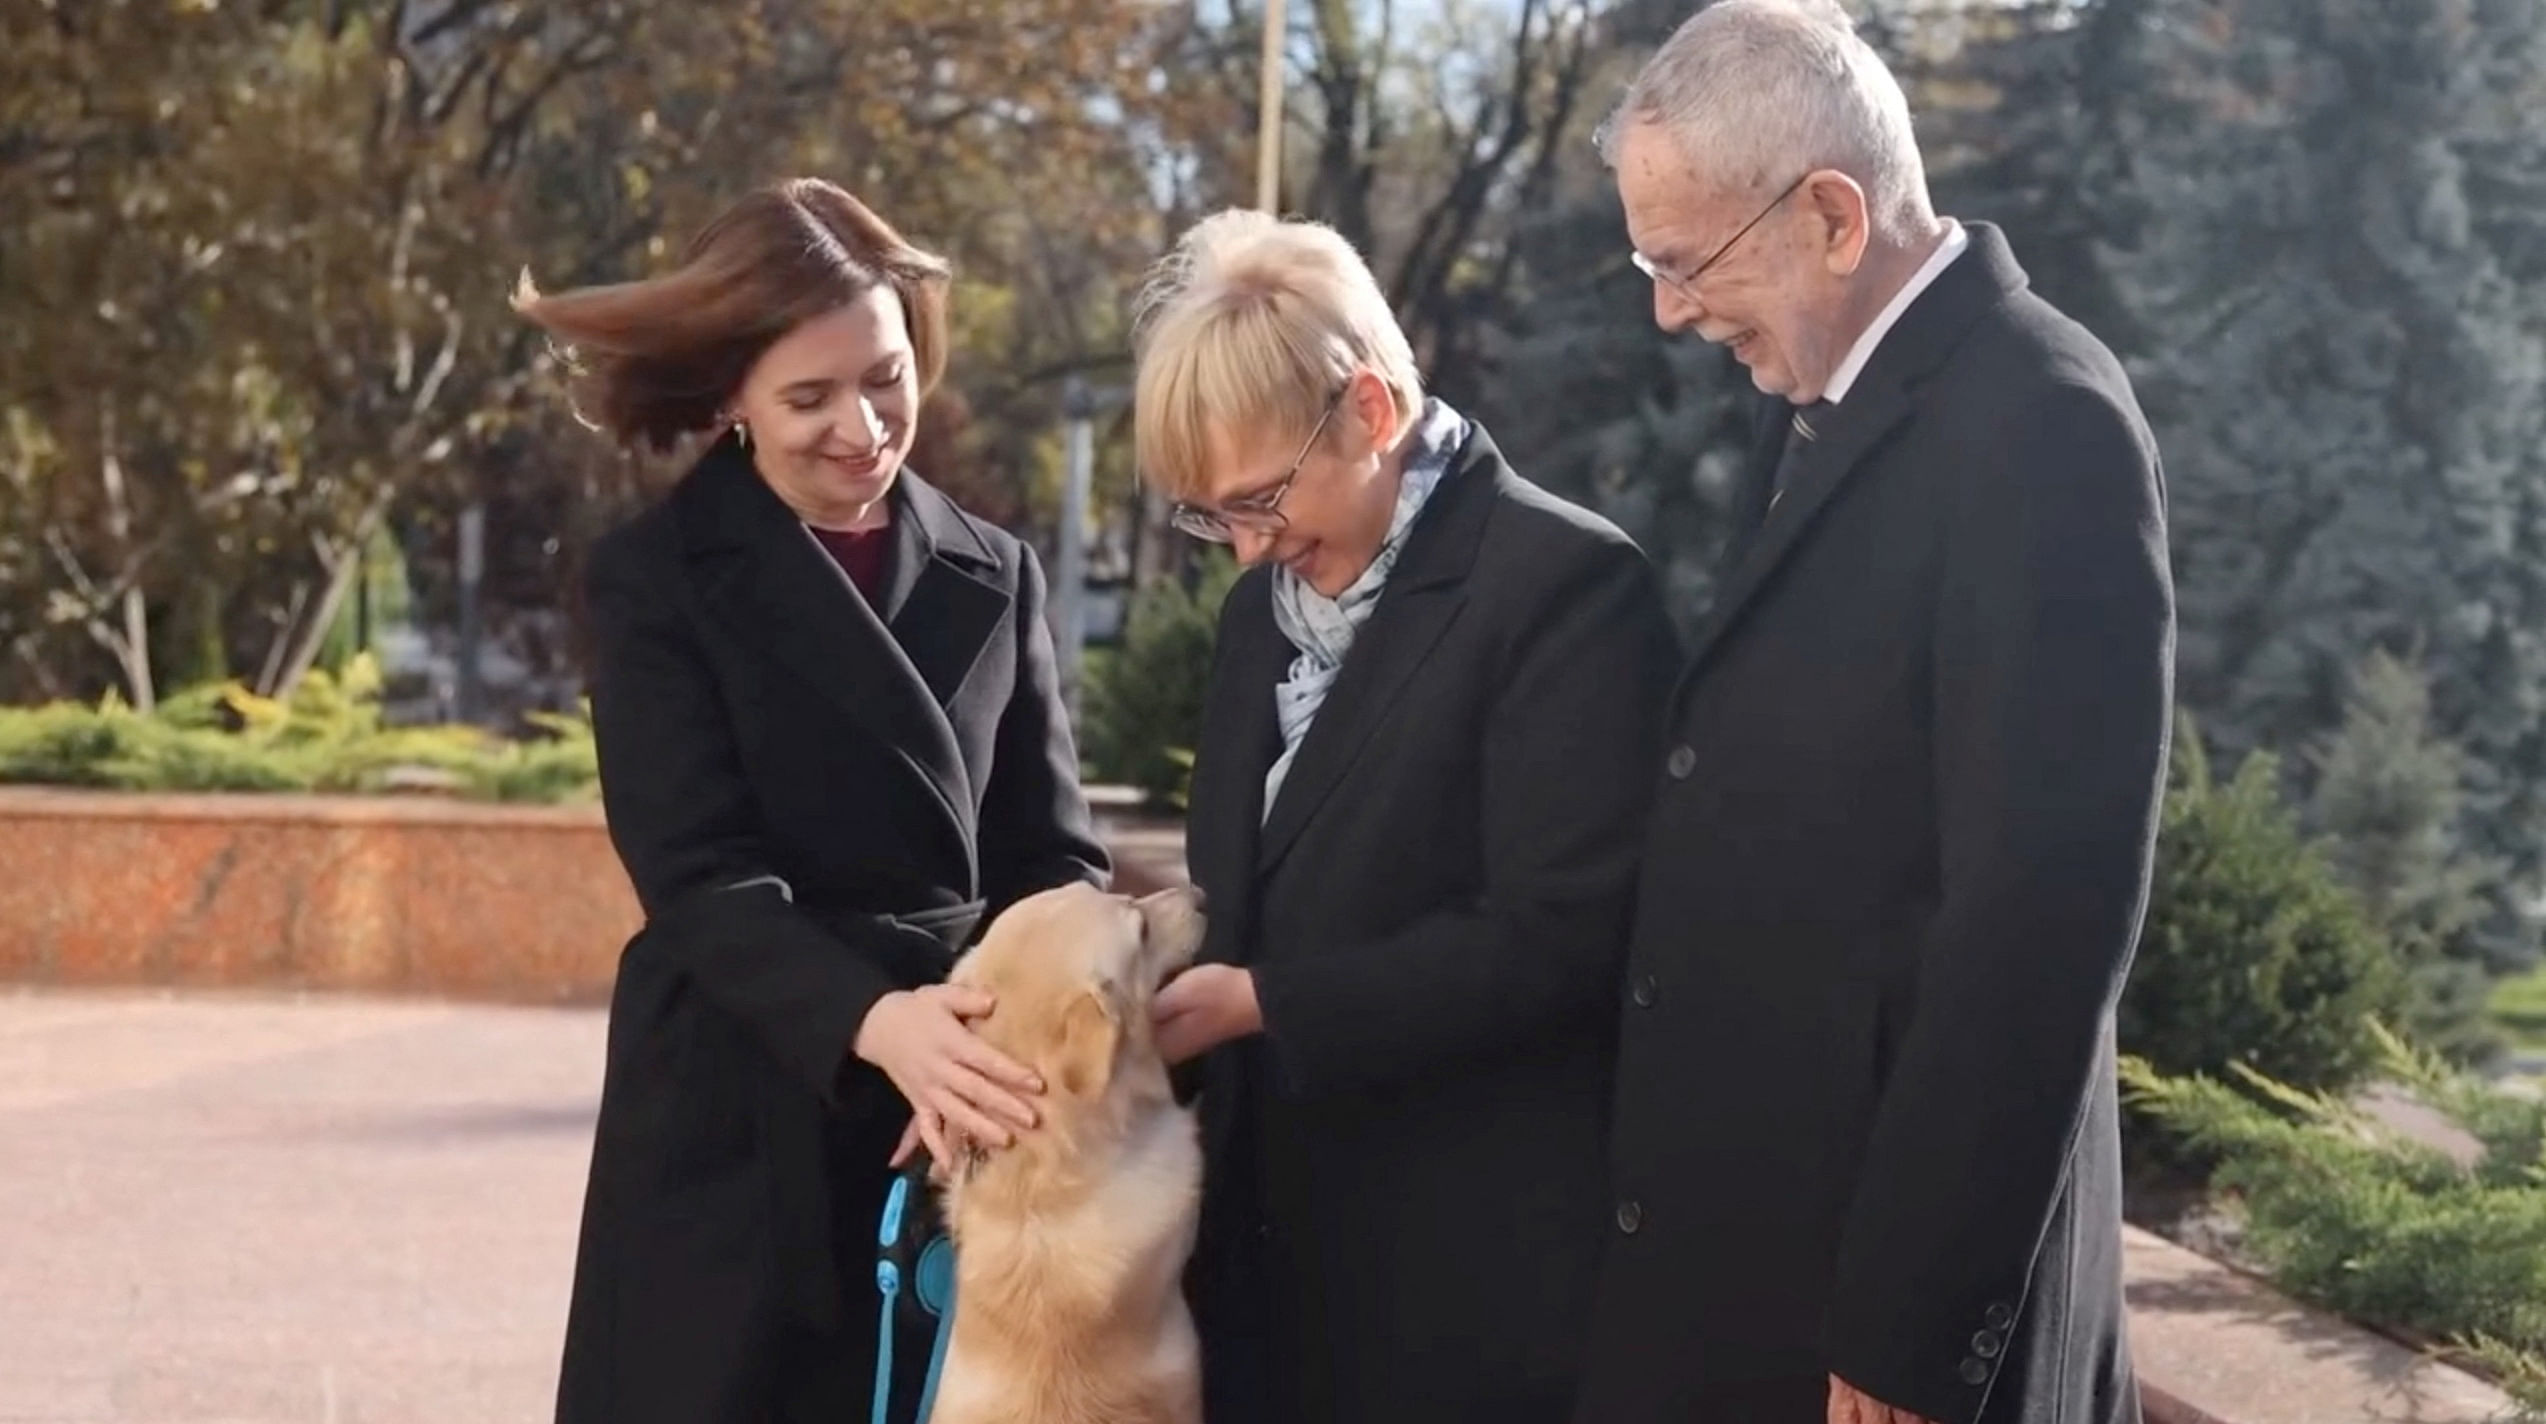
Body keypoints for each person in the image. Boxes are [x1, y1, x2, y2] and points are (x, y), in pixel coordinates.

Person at [1574, 5, 2175, 1424]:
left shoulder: (2042, 424)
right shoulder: (1834, 389)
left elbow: (2037, 923)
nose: (1668, 309)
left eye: (1686, 261)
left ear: (1834, 217)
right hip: (1758, 1258)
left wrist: (1914, 1326)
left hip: (1872, 1329)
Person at [515, 177, 1111, 1423]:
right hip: (739, 1114)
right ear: (729, 395)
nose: (862, 425)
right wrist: (876, 1022)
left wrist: (993, 1046)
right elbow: (695, 871)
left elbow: (1053, 859)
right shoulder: (653, 579)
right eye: (809, 396)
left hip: (957, 1112)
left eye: (885, 376)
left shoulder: (995, 572)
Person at [1129, 208, 1682, 1424]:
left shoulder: (1566, 589)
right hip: (1265, 1275)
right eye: (1211, 514)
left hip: (1459, 1294)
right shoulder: (1258, 613)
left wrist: (1267, 1002)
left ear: (1370, 412)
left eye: (1259, 498)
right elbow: (1249, 884)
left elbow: (1563, 936)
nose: (1244, 548)